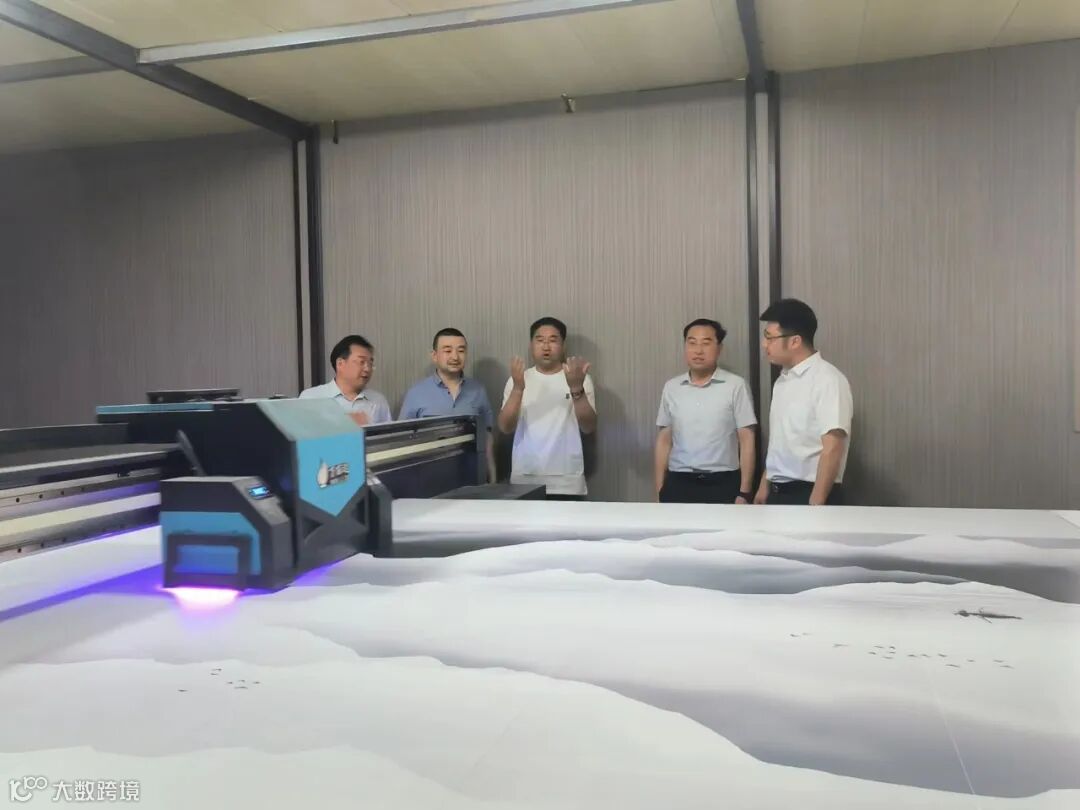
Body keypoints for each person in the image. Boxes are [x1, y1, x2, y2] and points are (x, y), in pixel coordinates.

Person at [754, 299, 852, 505]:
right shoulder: (782, 381)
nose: (764, 344)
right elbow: (780, 441)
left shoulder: (827, 379)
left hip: (809, 492)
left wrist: (816, 501)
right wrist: (764, 485)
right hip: (777, 491)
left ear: (795, 341)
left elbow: (833, 446)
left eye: (769, 338)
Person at [655, 319, 757, 504]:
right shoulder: (672, 387)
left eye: (706, 343)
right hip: (678, 481)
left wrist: (744, 492)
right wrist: (659, 488)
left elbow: (747, 439)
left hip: (723, 482)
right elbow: (664, 440)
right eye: (692, 343)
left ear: (719, 348)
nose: (698, 350)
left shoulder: (736, 385)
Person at [497, 316, 596, 500]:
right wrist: (518, 389)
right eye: (540, 340)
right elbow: (505, 427)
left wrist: (576, 389)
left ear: (563, 345)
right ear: (531, 345)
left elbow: (588, 427)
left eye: (553, 340)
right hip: (525, 480)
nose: (546, 346)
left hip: (568, 482)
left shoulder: (579, 378)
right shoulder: (517, 379)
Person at [399, 327, 497, 483]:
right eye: (448, 350)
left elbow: (487, 437)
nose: (455, 356)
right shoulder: (416, 394)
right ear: (434, 356)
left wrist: (492, 476)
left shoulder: (478, 391)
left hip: (472, 480)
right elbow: (403, 441)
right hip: (428, 480)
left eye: (461, 350)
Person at [299, 334, 392, 426]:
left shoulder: (378, 401)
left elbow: (387, 435)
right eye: (361, 362)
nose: (367, 369)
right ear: (340, 364)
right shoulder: (311, 398)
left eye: (370, 363)